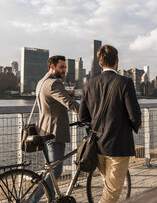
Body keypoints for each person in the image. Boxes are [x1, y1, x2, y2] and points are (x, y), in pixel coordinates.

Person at [79, 45, 142, 203]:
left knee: (108, 187)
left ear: (100, 63)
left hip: (98, 146)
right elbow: (134, 115)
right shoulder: (125, 83)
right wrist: (136, 125)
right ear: (117, 61)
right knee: (112, 194)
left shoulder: (88, 85)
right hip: (118, 147)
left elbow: (83, 117)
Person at [29, 55, 80, 202]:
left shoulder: (41, 82)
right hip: (54, 133)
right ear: (52, 67)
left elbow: (51, 99)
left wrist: (66, 92)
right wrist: (89, 112)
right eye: (61, 67)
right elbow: (69, 104)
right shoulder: (54, 83)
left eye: (65, 67)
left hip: (43, 129)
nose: (65, 70)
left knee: (51, 171)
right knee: (56, 170)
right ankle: (31, 201)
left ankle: (51, 199)